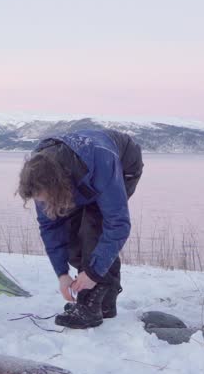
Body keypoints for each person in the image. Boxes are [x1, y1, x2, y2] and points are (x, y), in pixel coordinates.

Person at [16, 128, 143, 329]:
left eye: (45, 198)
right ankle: (104, 302)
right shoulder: (38, 174)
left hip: (120, 163)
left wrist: (93, 273)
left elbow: (118, 224)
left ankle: (91, 304)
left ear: (57, 187)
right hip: (77, 173)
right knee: (70, 230)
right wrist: (62, 273)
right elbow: (50, 227)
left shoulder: (102, 161)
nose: (42, 203)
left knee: (95, 227)